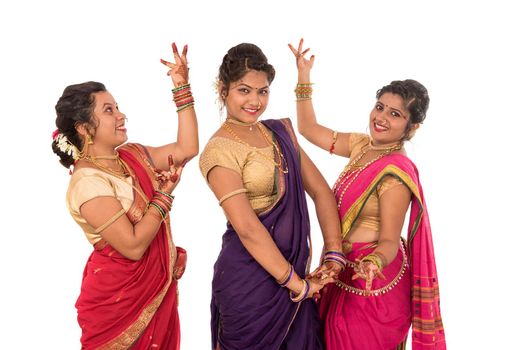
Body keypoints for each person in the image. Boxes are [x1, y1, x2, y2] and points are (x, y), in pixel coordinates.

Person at [289, 39, 446, 350]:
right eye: (380, 107)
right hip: (340, 270)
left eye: (395, 115)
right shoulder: (363, 146)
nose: (381, 118)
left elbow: (389, 240)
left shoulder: (395, 174)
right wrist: (303, 77)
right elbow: (307, 129)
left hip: (372, 282)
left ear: (412, 127)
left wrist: (373, 262)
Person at [52, 42, 198, 349]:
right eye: (109, 110)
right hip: (118, 305)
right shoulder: (86, 182)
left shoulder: (131, 155)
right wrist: (162, 196)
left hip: (155, 293)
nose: (121, 115)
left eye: (117, 107)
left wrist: (181, 87)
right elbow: (132, 246)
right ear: (83, 128)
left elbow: (186, 149)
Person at [199, 43, 343, 350]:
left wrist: (334, 254)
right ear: (223, 90)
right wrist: (297, 286)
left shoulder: (279, 132)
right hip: (250, 288)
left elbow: (321, 191)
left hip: (296, 280)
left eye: (263, 91)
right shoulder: (219, 150)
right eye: (244, 90)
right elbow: (248, 229)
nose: (255, 101)